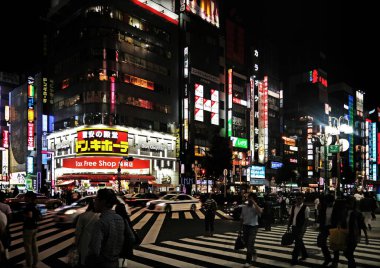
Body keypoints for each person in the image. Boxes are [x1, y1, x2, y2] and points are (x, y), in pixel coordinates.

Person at [86, 189, 124, 268]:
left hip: (102, 263)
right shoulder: (120, 218)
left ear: (103, 202)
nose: (94, 202)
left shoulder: (100, 223)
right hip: (115, 262)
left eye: (96, 199)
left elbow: (94, 250)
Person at [342, 196, 369, 268]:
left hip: (354, 236)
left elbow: (363, 226)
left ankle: (352, 266)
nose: (349, 204)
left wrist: (366, 237)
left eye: (351, 202)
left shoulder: (357, 213)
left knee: (348, 253)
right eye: (348, 202)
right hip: (346, 236)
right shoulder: (345, 212)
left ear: (354, 203)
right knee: (347, 253)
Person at [240, 192, 263, 267]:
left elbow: (260, 212)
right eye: (249, 198)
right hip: (245, 227)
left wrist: (254, 202)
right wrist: (240, 229)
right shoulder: (244, 207)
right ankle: (254, 252)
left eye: (251, 198)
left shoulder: (255, 207)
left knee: (250, 243)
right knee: (247, 244)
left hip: (253, 227)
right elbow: (241, 218)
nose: (249, 200)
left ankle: (248, 261)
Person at [75, 198, 99, 266]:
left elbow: (78, 231)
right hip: (96, 241)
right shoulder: (99, 216)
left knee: (83, 259)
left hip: (84, 240)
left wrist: (76, 243)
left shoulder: (83, 216)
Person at [287, 193, 310, 265]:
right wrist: (288, 225)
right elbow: (291, 217)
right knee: (299, 241)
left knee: (297, 244)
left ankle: (294, 259)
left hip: (301, 228)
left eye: (300, 198)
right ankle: (305, 254)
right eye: (297, 198)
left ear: (303, 199)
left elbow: (306, 220)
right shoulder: (293, 207)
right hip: (294, 227)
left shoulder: (306, 208)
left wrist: (304, 229)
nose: (298, 200)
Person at [23, 191, 42, 268]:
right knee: (34, 246)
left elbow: (30, 216)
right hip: (35, 227)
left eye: (25, 197)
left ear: (29, 198)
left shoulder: (29, 206)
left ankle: (29, 264)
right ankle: (35, 263)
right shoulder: (35, 205)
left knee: (28, 247)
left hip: (28, 228)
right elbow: (38, 216)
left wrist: (24, 215)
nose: (24, 198)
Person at [317, 194, 335, 266]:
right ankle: (327, 258)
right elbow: (320, 217)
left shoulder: (336, 208)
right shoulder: (323, 207)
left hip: (333, 228)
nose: (326, 203)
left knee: (335, 245)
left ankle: (335, 261)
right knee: (322, 243)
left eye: (328, 202)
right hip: (324, 227)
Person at [0, 191, 12, 263]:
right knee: (6, 243)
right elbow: (10, 218)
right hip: (4, 227)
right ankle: (6, 258)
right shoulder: (6, 206)